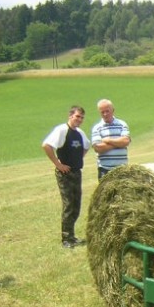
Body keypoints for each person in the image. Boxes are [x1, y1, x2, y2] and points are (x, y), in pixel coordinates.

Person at [42, 105, 91, 249]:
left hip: (77, 172)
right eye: (77, 116)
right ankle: (66, 239)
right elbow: (46, 145)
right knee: (69, 204)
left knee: (76, 205)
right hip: (65, 174)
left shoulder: (80, 133)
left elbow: (87, 146)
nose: (79, 120)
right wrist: (58, 164)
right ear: (70, 116)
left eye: (82, 117)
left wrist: (79, 157)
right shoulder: (62, 130)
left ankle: (72, 236)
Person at [91, 98, 131, 180]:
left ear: (113, 110)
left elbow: (126, 141)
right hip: (105, 169)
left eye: (107, 111)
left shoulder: (122, 124)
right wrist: (118, 144)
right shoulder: (97, 128)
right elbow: (98, 148)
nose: (105, 114)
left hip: (122, 169)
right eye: (102, 112)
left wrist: (108, 140)